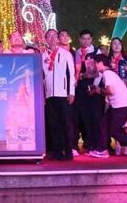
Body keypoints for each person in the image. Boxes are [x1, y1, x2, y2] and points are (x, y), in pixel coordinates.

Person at [95, 53, 127, 158]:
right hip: (118, 105)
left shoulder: (107, 74)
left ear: (100, 63)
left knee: (115, 131)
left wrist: (100, 91)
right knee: (103, 123)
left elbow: (111, 91)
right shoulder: (109, 73)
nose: (95, 66)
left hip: (121, 106)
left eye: (95, 63)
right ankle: (102, 149)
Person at [42, 28, 75, 160]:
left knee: (66, 123)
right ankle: (56, 151)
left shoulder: (66, 54)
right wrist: (44, 95)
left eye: (54, 36)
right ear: (46, 39)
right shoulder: (43, 56)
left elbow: (71, 74)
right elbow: (42, 77)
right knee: (53, 124)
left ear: (57, 38)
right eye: (49, 36)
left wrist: (71, 92)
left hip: (63, 94)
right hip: (50, 95)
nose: (51, 38)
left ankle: (68, 151)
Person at [75, 52, 104, 155]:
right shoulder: (76, 53)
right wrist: (82, 76)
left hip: (97, 94)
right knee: (86, 120)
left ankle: (99, 146)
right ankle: (89, 145)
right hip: (83, 94)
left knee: (97, 121)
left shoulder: (97, 53)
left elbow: (102, 74)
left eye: (88, 38)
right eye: (83, 38)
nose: (85, 41)